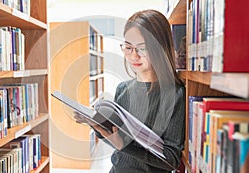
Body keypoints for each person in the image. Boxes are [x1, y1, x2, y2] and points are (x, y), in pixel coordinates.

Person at [75, 9, 185, 173]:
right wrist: (97, 125)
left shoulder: (175, 94)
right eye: (128, 47)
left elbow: (171, 159)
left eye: (142, 48)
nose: (134, 56)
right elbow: (118, 141)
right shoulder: (123, 89)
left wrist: (123, 145)